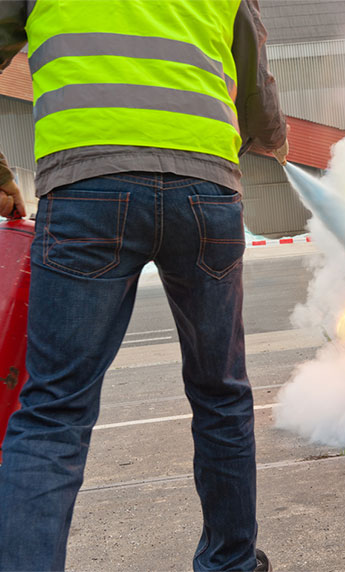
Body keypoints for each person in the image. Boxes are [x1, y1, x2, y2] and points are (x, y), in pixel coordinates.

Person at [0, 1, 288, 570]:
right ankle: (231, 563)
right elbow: (255, 81)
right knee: (222, 394)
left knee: (54, 411)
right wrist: (269, 136)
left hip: (88, 185)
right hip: (205, 189)